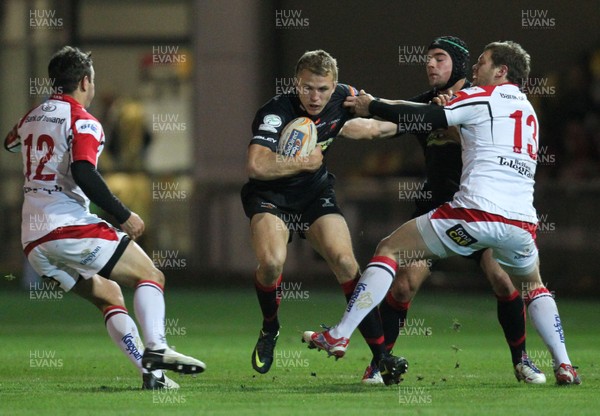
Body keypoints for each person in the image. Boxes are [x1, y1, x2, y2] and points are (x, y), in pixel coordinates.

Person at [303, 41, 581, 385]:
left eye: (481, 62)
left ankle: (340, 334)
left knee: (389, 248)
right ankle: (565, 364)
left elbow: (430, 117)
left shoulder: (478, 97)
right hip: (520, 223)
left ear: (500, 71)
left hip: (470, 214)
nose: (476, 69)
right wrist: (337, 120)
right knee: (533, 285)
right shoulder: (528, 111)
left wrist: (372, 103)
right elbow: (405, 122)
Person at [8, 46, 205, 389]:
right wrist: (123, 214)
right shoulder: (83, 120)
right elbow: (84, 171)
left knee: (109, 296)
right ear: (85, 82)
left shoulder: (32, 116)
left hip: (35, 242)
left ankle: (152, 376)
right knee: (151, 275)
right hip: (67, 227)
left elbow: (10, 142)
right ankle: (157, 348)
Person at [241, 49, 406, 385]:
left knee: (346, 262)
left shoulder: (344, 97)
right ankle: (270, 327)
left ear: (335, 87)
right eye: (307, 88)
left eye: (323, 89)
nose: (315, 97)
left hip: (314, 196)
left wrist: (427, 115)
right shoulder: (275, 111)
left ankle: (382, 359)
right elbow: (257, 165)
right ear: (296, 84)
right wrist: (303, 162)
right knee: (272, 262)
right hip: (271, 197)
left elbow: (373, 128)